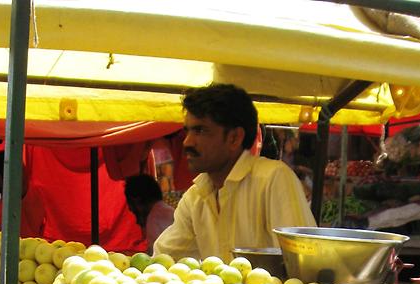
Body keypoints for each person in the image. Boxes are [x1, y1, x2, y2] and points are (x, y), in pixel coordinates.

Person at [153, 83, 316, 263]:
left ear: (234, 138)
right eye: (188, 131)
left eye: (200, 130)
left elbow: (304, 262)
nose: (187, 142)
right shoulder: (196, 198)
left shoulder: (273, 179)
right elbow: (163, 258)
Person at [0, 151, 46, 238]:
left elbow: (17, 166)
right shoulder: (6, 196)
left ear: (1, 177)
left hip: (22, 250)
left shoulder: (22, 193)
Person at [124, 174, 175, 254]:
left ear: (137, 200)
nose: (130, 209)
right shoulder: (170, 211)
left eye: (130, 204)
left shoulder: (153, 219)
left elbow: (156, 255)